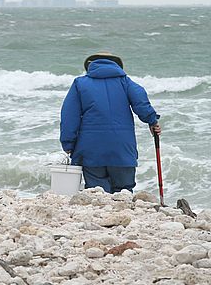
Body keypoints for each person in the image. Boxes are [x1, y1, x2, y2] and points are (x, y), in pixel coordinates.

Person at [60, 52, 161, 193]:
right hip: (122, 149)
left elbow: (69, 116)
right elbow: (142, 104)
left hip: (91, 150)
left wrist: (68, 143)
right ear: (117, 65)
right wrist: (152, 121)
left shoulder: (80, 84)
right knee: (124, 191)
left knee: (98, 192)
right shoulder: (126, 82)